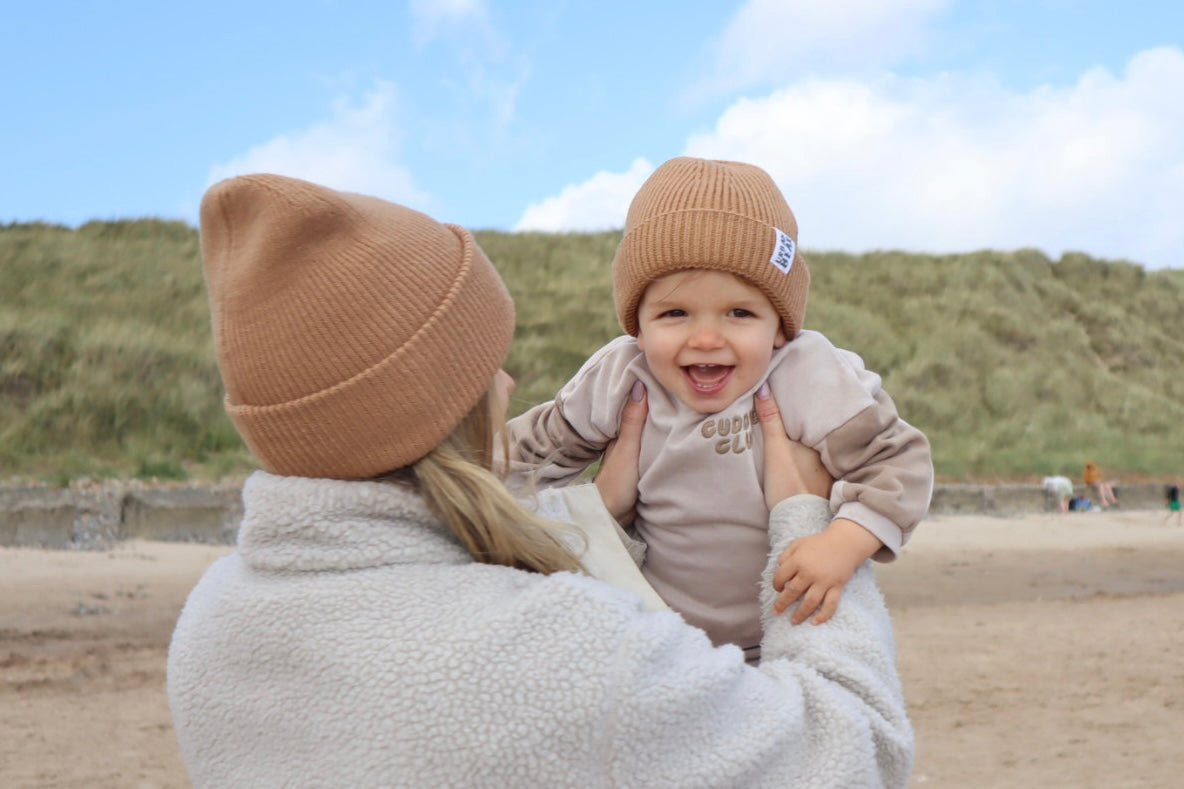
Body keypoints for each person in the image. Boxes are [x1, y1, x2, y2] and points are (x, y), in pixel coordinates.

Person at [166, 174, 913, 787]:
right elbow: (855, 759)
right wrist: (803, 517)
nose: (507, 377)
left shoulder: (209, 624)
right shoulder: (576, 653)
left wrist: (598, 520)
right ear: (426, 398)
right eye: (479, 361)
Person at [505, 157, 933, 660]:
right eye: (674, 313)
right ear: (637, 327)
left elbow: (898, 462)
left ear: (780, 327)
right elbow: (521, 462)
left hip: (780, 637)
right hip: (651, 635)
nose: (706, 338)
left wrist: (842, 543)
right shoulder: (621, 378)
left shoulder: (807, 375)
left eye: (740, 313)